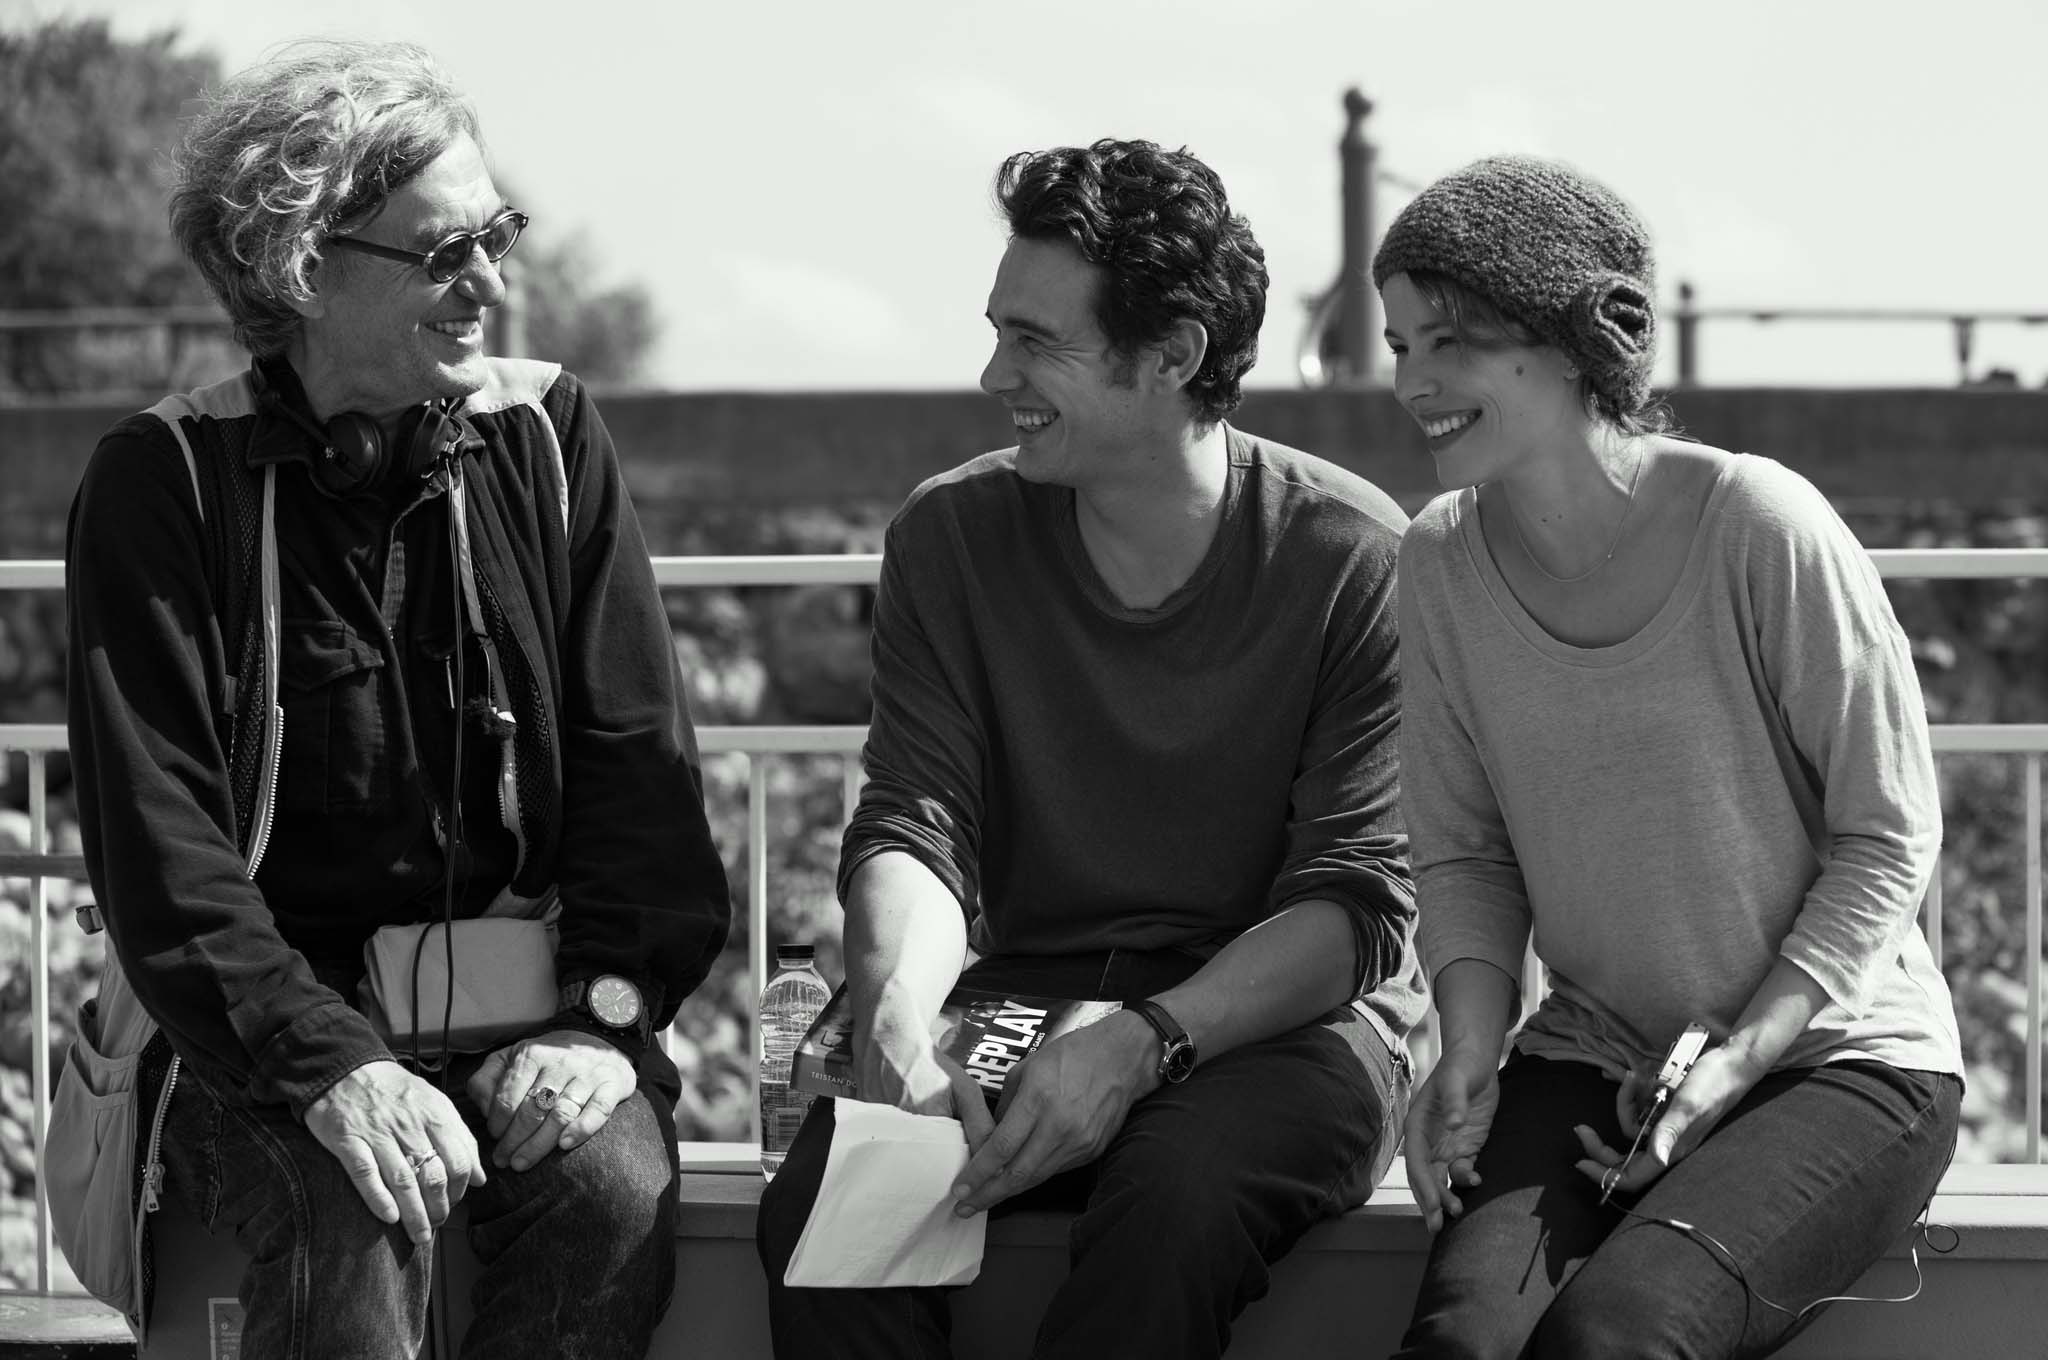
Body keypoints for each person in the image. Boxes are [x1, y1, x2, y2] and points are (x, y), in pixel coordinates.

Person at [62, 40, 729, 1359]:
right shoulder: (163, 482)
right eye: (446, 254)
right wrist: (333, 1064)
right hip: (257, 1033)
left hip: (528, 1011)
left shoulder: (547, 436)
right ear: (299, 267)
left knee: (614, 1193)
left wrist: (600, 1023)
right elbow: (166, 854)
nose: (495, 282)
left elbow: (639, 775)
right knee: (352, 1204)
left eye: (499, 234)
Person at [754, 138, 1425, 1360]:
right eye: (996, 328)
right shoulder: (950, 534)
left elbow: (1351, 903)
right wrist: (896, 1014)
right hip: (1028, 994)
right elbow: (918, 818)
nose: (990, 371)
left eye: (1034, 341)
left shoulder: (1351, 557)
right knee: (829, 1200)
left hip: (1287, 1025)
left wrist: (1145, 1039)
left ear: (1169, 356)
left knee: (1172, 1202)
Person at [1381, 155, 1963, 1359]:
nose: (1410, 381)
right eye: (1397, 345)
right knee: (1458, 1346)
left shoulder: (1757, 523)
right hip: (1595, 1049)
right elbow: (1464, 852)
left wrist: (1736, 1065)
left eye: (1450, 342)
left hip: (1836, 1058)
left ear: (1568, 337)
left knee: (1615, 1339)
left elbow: (1886, 831)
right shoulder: (1436, 563)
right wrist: (1469, 1052)